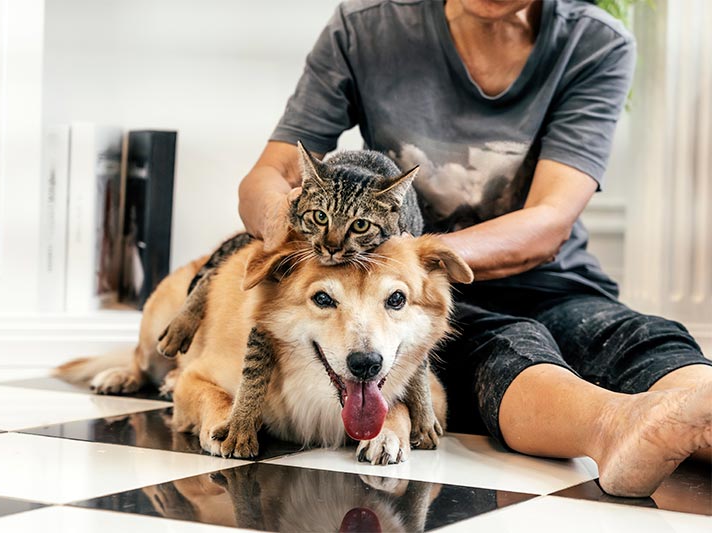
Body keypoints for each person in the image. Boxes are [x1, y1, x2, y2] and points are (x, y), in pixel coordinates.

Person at [237, 0, 712, 498]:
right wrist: (286, 224)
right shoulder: (364, 29)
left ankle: (695, 415)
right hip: (429, 297)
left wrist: (418, 257)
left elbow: (549, 220)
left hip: (547, 280)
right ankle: (616, 426)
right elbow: (267, 177)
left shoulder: (596, 42)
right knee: (506, 349)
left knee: (636, 337)